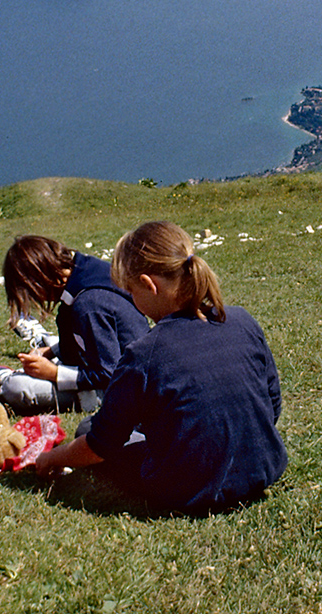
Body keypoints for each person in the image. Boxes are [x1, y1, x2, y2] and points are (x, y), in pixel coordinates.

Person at [32, 221, 287, 515]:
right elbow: (272, 404)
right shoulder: (242, 320)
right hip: (264, 467)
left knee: (88, 428)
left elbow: (100, 445)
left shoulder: (144, 355)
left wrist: (54, 457)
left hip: (186, 490)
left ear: (148, 284)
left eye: (130, 290)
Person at [0, 235, 148, 414]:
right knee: (49, 358)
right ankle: (43, 348)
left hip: (122, 388)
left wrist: (53, 373)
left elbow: (109, 373)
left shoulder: (88, 304)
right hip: (115, 366)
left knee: (16, 388)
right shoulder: (85, 272)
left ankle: (9, 378)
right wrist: (51, 352)